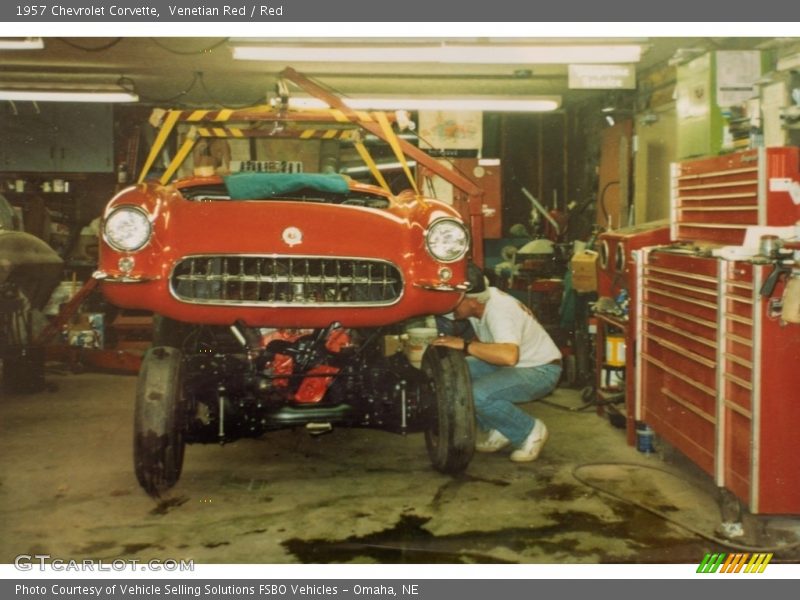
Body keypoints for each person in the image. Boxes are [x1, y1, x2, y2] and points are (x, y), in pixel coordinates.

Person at [431, 263, 562, 462]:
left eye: (453, 301)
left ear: (471, 301)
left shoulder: (499, 311)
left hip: (540, 369)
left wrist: (464, 345)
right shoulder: (479, 299)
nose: (449, 307)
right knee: (457, 374)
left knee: (477, 395)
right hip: (517, 363)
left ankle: (529, 431)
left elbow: (509, 356)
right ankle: (501, 429)